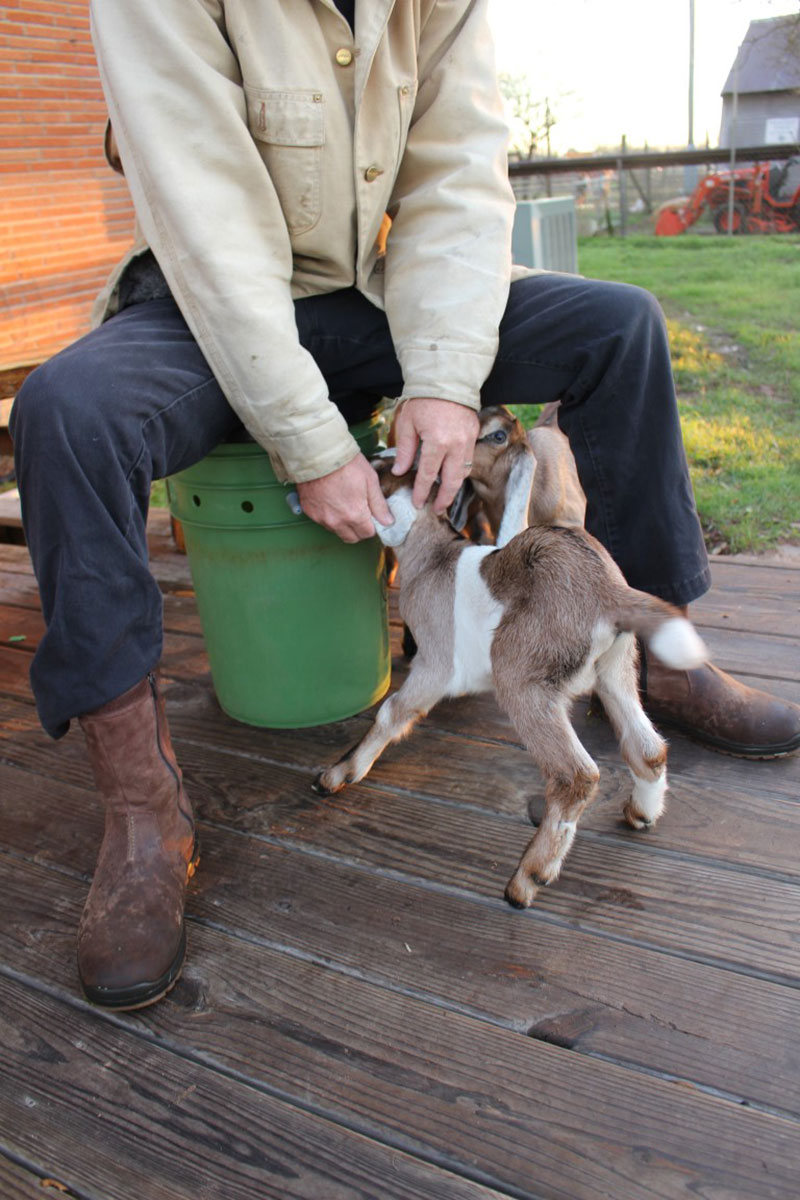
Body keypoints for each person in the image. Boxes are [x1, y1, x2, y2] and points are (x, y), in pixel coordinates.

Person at [11, 0, 799, 1011]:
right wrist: (306, 439)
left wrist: (443, 378)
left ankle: (655, 654)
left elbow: (456, 183)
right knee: (67, 412)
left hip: (377, 291)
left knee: (617, 327)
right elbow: (202, 214)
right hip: (209, 304)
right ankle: (139, 807)